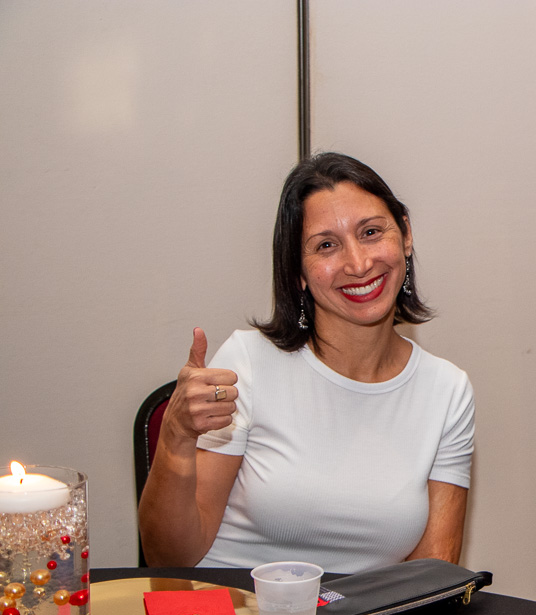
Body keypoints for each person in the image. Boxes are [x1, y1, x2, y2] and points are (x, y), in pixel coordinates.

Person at [139, 153, 474, 573]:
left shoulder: (447, 391)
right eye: (326, 245)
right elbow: (168, 558)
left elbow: (432, 573)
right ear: (297, 269)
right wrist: (175, 436)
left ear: (405, 234)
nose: (358, 263)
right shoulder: (247, 363)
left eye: (371, 232)